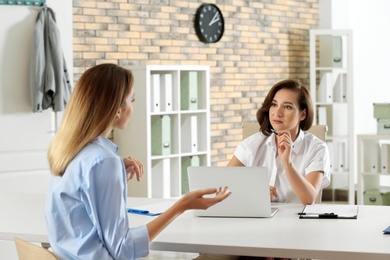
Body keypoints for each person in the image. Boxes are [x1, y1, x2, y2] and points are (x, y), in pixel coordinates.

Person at [45, 63, 231, 260]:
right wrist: (181, 206)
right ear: (117, 109)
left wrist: (116, 175)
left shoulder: (69, 151)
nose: (133, 107)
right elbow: (123, 251)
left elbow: (81, 212)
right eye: (131, 100)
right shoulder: (103, 162)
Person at [228, 79, 330, 205]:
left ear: (302, 114)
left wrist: (287, 163)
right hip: (257, 219)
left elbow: (309, 198)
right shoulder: (252, 144)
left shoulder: (317, 148)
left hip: (298, 221)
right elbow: (224, 187)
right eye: (274, 104)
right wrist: (255, 193)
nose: (277, 113)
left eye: (287, 107)